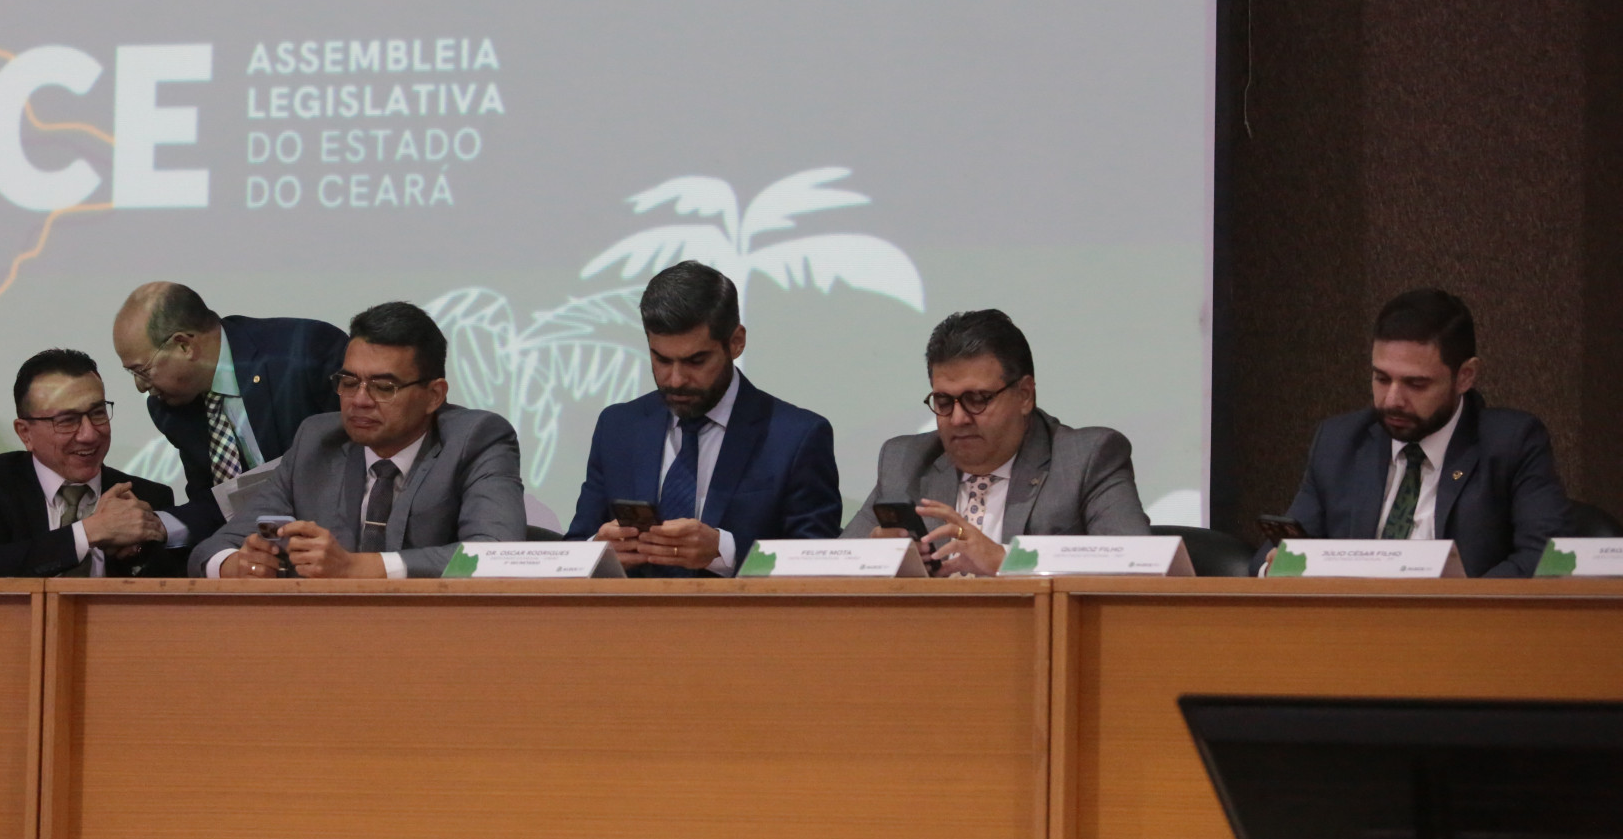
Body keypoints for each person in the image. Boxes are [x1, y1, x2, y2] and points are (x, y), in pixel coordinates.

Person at [190, 301, 525, 578]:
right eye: (349, 382)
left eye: (383, 387)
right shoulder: (317, 440)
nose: (360, 400)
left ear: (434, 395)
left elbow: (496, 554)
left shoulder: (476, 438)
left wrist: (359, 567)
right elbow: (212, 549)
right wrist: (236, 565)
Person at [1271, 288, 1570, 577]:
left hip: (1462, 625)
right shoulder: (1340, 441)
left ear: (1465, 376)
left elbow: (1543, 559)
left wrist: (1464, 606)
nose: (1392, 400)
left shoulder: (1511, 443)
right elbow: (1278, 551)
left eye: (1416, 384)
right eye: (1381, 379)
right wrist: (1276, 567)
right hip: (1353, 625)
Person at [567, 261, 841, 576]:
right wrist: (600, 552)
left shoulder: (796, 436)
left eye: (696, 361)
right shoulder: (619, 427)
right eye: (661, 359)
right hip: (630, 621)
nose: (676, 379)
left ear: (736, 342)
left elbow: (820, 562)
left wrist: (724, 551)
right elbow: (575, 545)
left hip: (743, 622)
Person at [843, 309, 1150, 576]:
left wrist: (1007, 561)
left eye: (978, 399)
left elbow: (1137, 565)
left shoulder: (1086, 459)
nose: (959, 418)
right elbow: (829, 571)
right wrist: (871, 559)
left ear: (1025, 395)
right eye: (944, 401)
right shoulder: (904, 460)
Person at [112, 282, 347, 544]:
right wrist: (157, 526)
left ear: (183, 345)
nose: (140, 386)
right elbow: (216, 505)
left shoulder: (304, 352)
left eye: (142, 370)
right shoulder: (168, 410)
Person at [0, 349, 177, 577]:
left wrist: (135, 551)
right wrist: (88, 533)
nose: (89, 434)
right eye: (67, 420)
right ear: (25, 433)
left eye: (97, 413)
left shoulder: (146, 498)